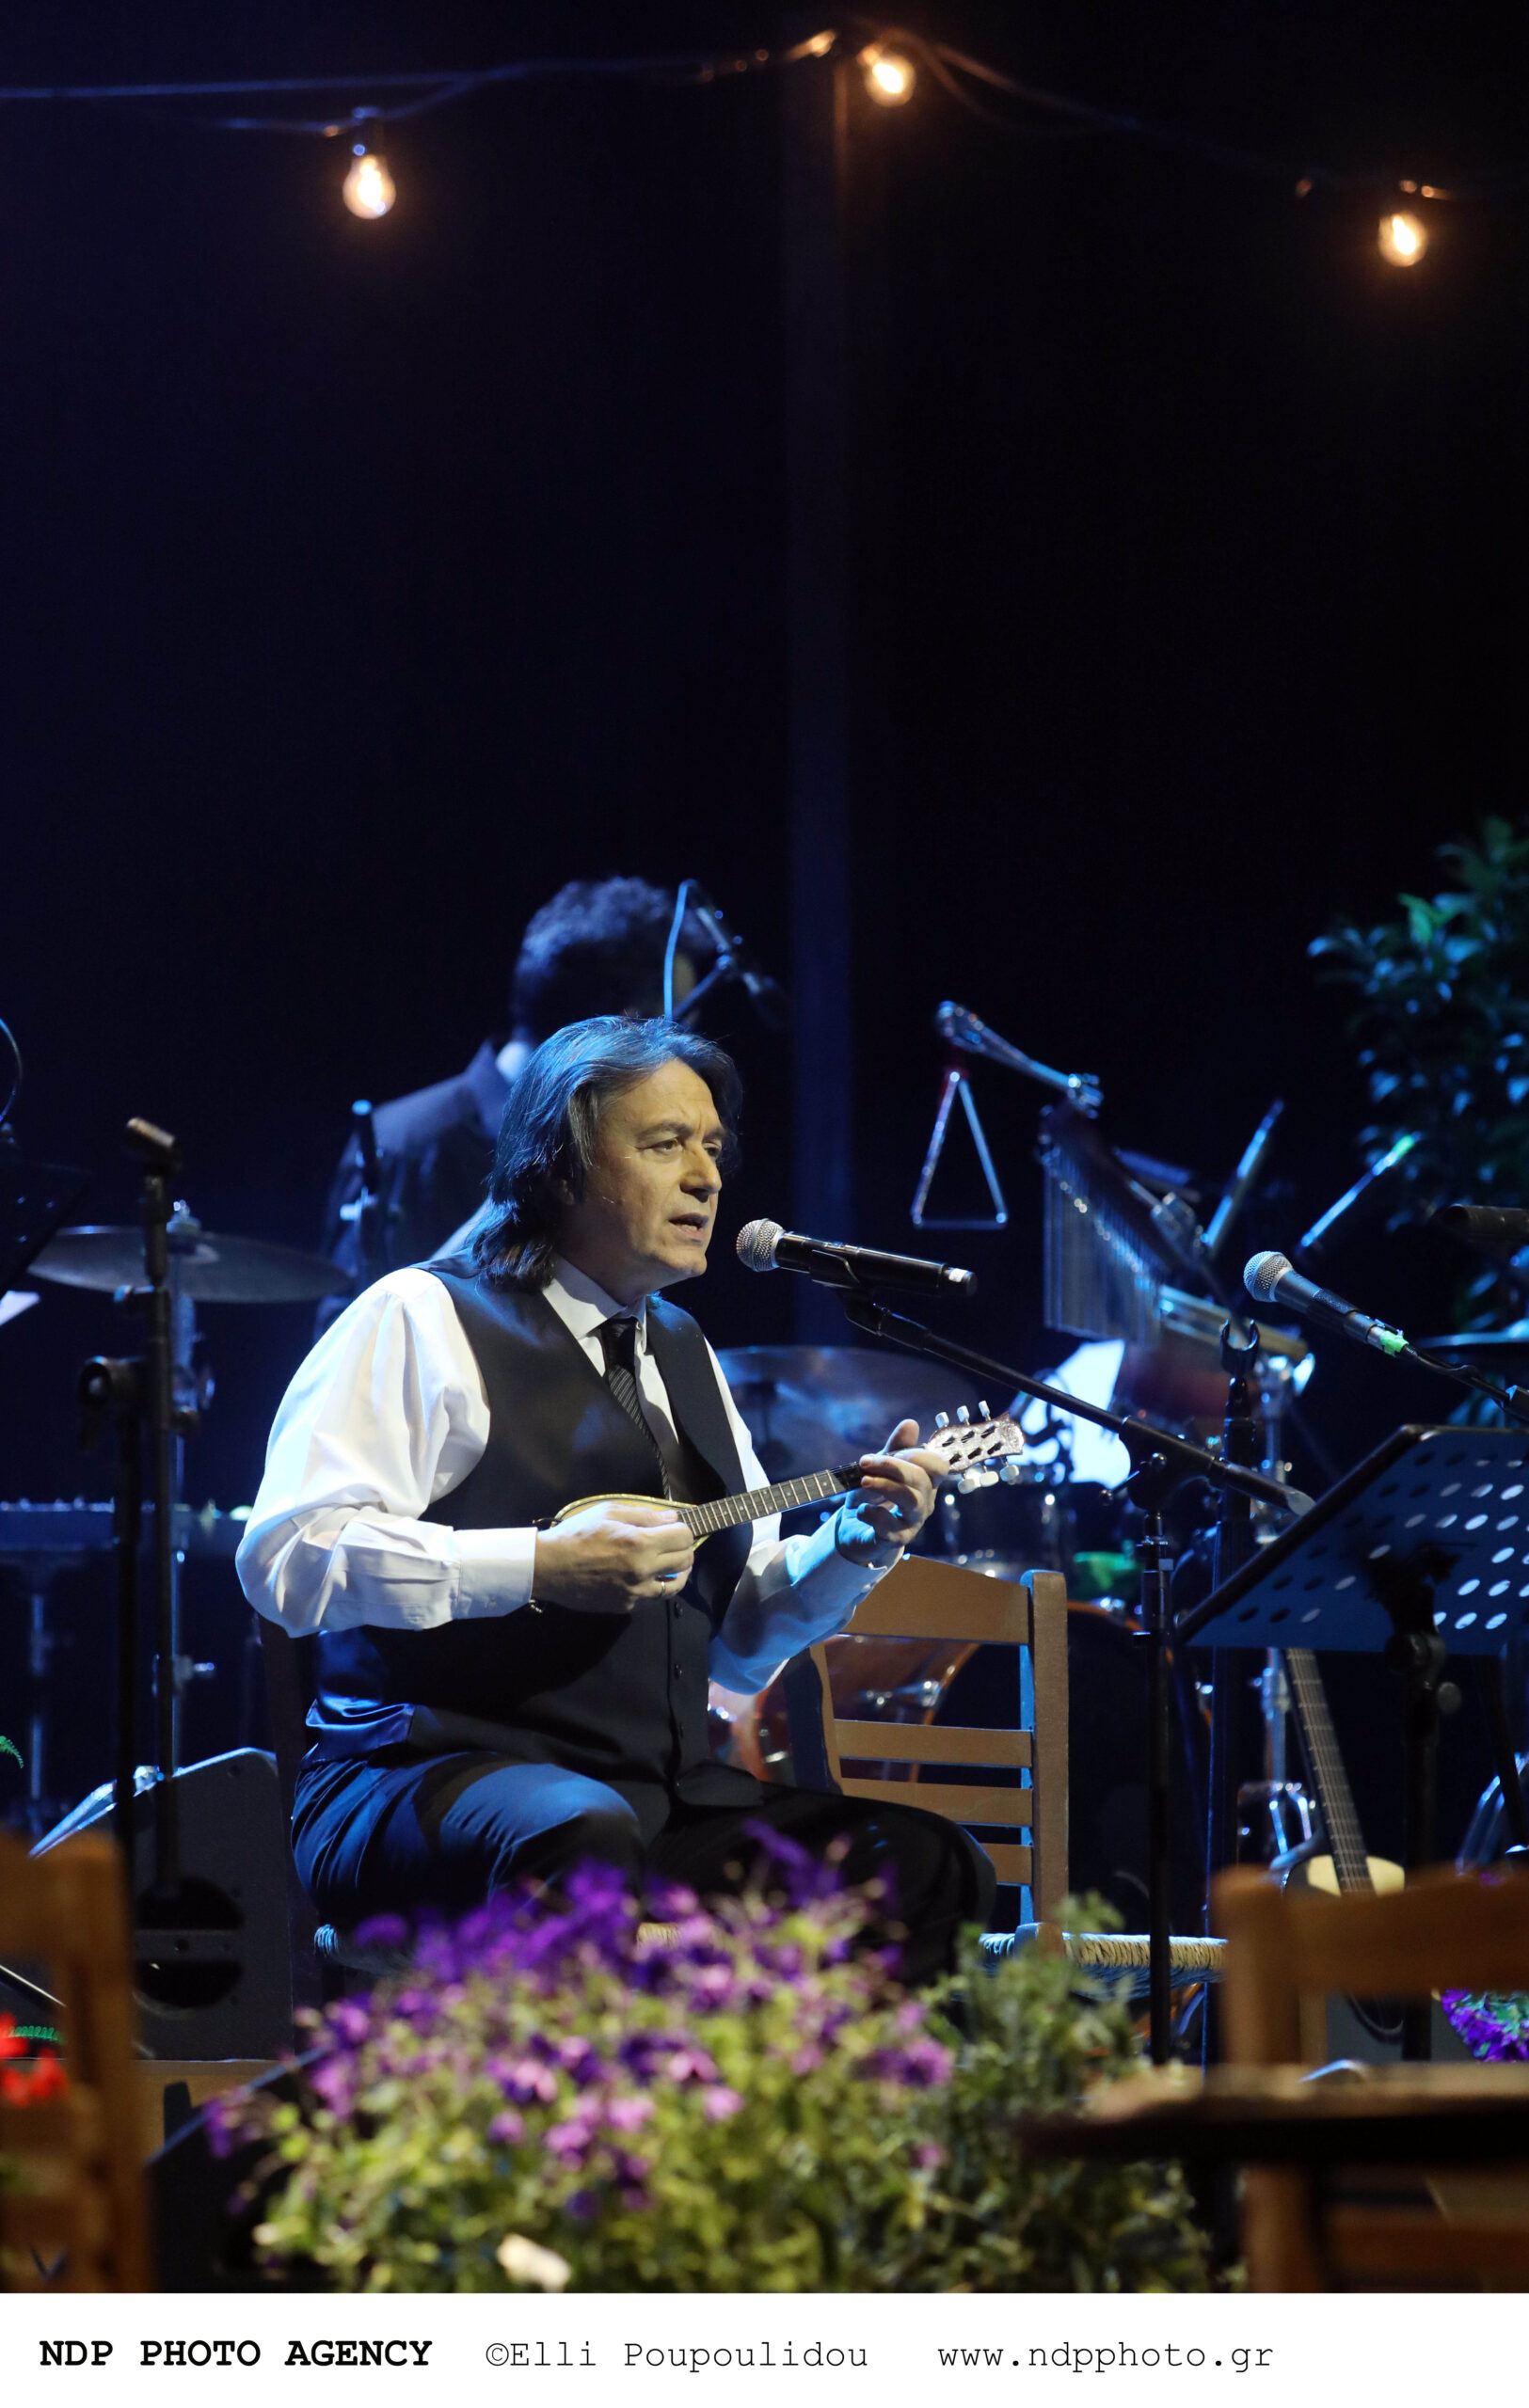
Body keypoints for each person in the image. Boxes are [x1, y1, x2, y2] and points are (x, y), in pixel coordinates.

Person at [239, 1017, 994, 1980]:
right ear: (560, 1167)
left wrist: (854, 1542)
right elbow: (287, 1558)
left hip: (644, 1800)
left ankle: (805, 2083)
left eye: (712, 1147)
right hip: (413, 1782)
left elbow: (738, 1644)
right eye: (665, 1144)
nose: (706, 1178)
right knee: (577, 1832)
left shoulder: (683, 1351)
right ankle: (586, 2087)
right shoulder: (420, 1316)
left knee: (925, 1864)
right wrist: (541, 1565)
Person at [316, 877, 709, 1324]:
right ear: (618, 1023)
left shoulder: (608, 1150)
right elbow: (352, 1342)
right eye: (675, 1025)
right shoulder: (411, 1145)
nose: (680, 1052)